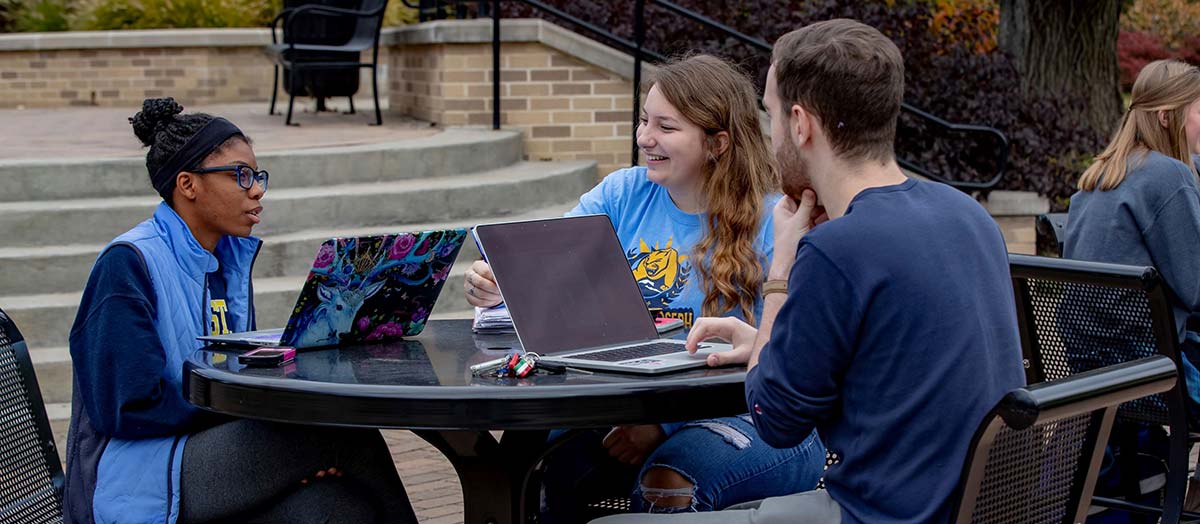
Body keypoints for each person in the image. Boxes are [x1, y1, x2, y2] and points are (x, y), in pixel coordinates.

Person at [594, 19, 1025, 524]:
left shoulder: (835, 249)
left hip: (874, 514)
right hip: (981, 506)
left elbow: (775, 419)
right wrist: (763, 341)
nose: (770, 135)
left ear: (801, 125)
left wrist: (782, 267)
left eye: (771, 115)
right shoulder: (967, 215)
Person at [463, 55, 826, 517]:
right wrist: (506, 286)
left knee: (667, 484)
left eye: (666, 127)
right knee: (532, 461)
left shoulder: (776, 222)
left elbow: (793, 364)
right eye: (643, 120)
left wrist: (663, 425)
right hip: (622, 401)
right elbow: (551, 272)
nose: (644, 138)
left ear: (717, 142)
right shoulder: (621, 194)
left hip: (751, 417)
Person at [63, 98, 419, 524]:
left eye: (257, 176)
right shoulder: (128, 264)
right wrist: (250, 409)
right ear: (188, 184)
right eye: (241, 176)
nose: (257, 189)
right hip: (137, 478)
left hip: (200, 450)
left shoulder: (226, 260)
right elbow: (127, 407)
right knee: (335, 434)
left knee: (335, 508)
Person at [1064, 59, 1200, 403]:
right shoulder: (1167, 176)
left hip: (1095, 367)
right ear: (1167, 117)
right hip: (1147, 373)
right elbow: (1196, 287)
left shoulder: (1101, 174)